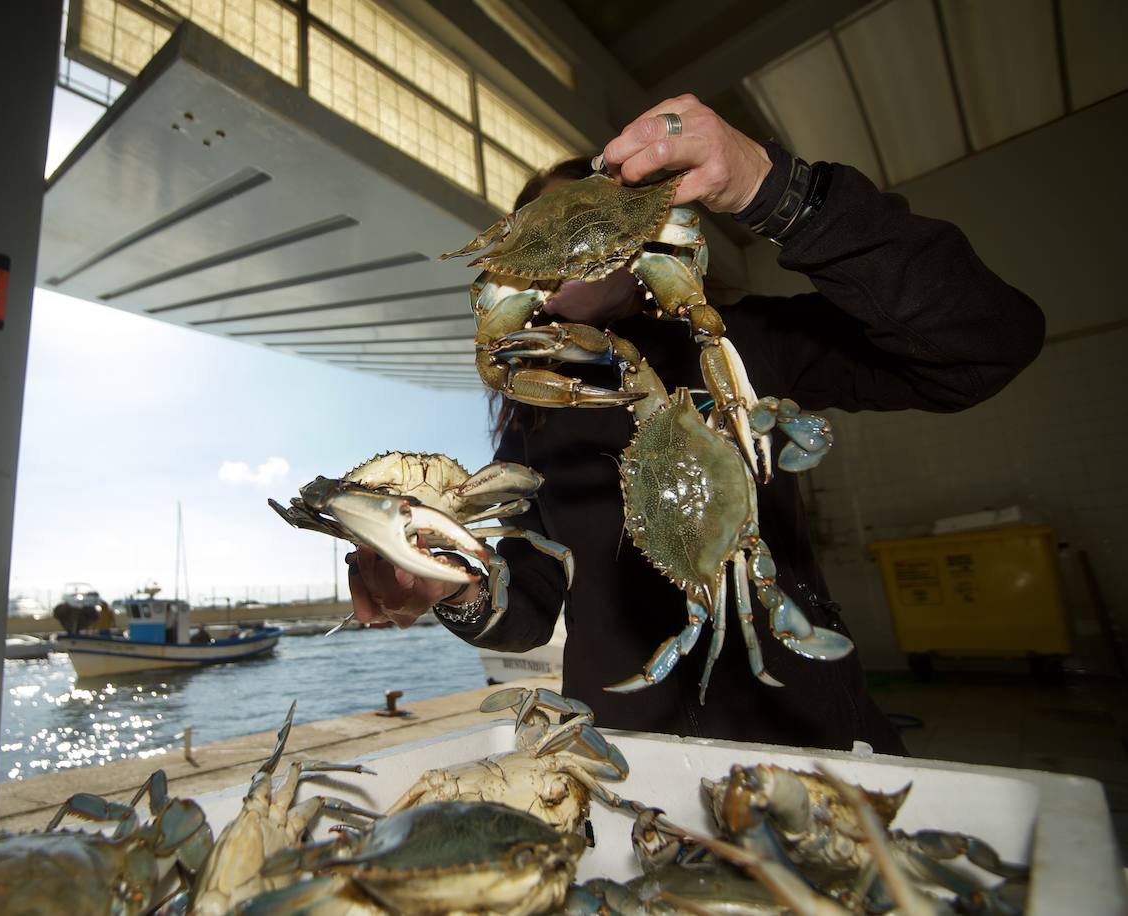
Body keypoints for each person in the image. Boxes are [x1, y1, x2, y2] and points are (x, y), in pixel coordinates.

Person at [345, 95, 1045, 754]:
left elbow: (985, 344)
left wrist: (781, 194)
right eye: (536, 242)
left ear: (640, 222)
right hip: (632, 756)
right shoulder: (533, 416)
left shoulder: (748, 341)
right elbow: (529, 606)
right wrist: (454, 586)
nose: (556, 262)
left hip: (804, 731)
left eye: (580, 231)